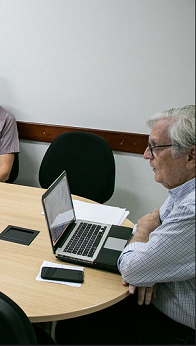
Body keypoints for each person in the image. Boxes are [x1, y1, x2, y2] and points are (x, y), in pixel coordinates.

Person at [55, 105, 195, 345]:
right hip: (158, 299)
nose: (145, 155)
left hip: (177, 329)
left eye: (155, 147)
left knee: (75, 326)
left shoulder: (191, 208)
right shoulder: (182, 189)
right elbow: (155, 222)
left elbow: (134, 264)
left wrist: (142, 242)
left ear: (191, 156)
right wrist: (150, 269)